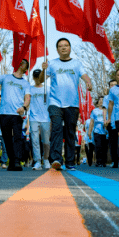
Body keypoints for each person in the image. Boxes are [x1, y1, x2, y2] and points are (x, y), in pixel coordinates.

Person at [40, 38, 93, 171]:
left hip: (72, 103)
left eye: (66, 45)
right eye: (60, 46)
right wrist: (43, 70)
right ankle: (56, 159)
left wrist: (88, 82)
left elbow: (84, 75)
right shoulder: (51, 64)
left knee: (70, 132)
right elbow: (41, 80)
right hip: (55, 102)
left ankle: (70, 161)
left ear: (70, 48)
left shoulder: (76, 64)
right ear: (57, 49)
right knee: (57, 129)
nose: (63, 48)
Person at [0, 58, 31, 171]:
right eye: (20, 61)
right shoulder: (5, 77)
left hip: (17, 114)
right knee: (7, 138)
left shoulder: (25, 83)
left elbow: (27, 97)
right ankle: (12, 161)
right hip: (4, 113)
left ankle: (17, 161)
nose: (21, 63)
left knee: (17, 137)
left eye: (24, 63)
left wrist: (24, 107)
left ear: (26, 69)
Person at [29, 68, 51, 170]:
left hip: (46, 118)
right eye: (36, 77)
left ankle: (46, 159)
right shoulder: (30, 89)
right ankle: (37, 161)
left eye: (39, 77)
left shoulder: (47, 89)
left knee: (46, 141)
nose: (38, 79)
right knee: (34, 140)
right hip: (34, 117)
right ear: (33, 77)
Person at [87, 97, 108, 167]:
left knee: (104, 147)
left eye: (103, 100)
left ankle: (104, 161)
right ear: (98, 103)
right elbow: (92, 122)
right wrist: (89, 132)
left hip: (105, 132)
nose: (101, 102)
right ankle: (99, 161)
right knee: (98, 146)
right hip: (97, 131)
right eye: (100, 100)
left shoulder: (106, 110)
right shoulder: (94, 111)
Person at [106, 79, 118, 166]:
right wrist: (106, 120)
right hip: (111, 121)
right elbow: (104, 110)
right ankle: (115, 161)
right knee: (113, 142)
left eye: (115, 84)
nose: (113, 86)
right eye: (111, 85)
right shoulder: (107, 98)